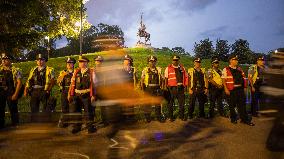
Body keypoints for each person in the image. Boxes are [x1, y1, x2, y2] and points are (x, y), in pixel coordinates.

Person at [222, 55, 254, 126]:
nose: (236, 61)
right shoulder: (226, 69)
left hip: (240, 90)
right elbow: (223, 80)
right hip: (232, 90)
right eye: (234, 59)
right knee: (232, 106)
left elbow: (244, 79)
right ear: (230, 60)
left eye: (237, 59)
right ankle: (233, 119)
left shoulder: (240, 69)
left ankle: (244, 120)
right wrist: (226, 89)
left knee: (242, 105)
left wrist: (245, 88)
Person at [68, 56, 97, 134]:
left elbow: (94, 84)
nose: (81, 63)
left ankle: (90, 127)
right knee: (76, 111)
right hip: (77, 94)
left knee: (88, 112)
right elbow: (72, 83)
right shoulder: (76, 71)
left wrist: (93, 95)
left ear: (87, 63)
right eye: (80, 62)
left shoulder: (91, 72)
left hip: (87, 94)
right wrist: (70, 94)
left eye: (83, 62)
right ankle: (76, 127)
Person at [24, 54, 55, 121]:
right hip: (34, 91)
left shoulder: (49, 69)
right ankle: (35, 123)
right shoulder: (33, 69)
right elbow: (29, 80)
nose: (40, 61)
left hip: (43, 90)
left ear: (45, 61)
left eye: (41, 60)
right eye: (38, 60)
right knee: (34, 108)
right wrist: (26, 90)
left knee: (45, 109)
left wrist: (48, 90)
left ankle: (45, 124)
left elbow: (53, 81)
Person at [0, 53, 22, 128]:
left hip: (11, 92)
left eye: (5, 59)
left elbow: (19, 83)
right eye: (2, 59)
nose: (3, 61)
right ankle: (1, 125)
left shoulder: (16, 70)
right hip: (1, 92)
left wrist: (15, 94)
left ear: (9, 60)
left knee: (13, 109)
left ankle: (15, 124)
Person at [141, 55, 164, 122]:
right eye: (150, 61)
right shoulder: (145, 70)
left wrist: (162, 88)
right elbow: (142, 81)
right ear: (148, 62)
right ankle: (148, 118)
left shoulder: (159, 69)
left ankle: (158, 117)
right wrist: (143, 90)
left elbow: (162, 79)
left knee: (157, 104)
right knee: (147, 104)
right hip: (148, 88)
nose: (152, 63)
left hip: (157, 88)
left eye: (153, 61)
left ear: (155, 62)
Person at [164, 55, 188, 121]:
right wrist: (166, 87)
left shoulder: (182, 68)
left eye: (177, 60)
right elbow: (166, 78)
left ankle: (181, 116)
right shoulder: (168, 68)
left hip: (181, 88)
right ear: (172, 60)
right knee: (170, 104)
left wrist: (185, 86)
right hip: (171, 88)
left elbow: (186, 77)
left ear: (178, 60)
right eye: (174, 60)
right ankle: (171, 117)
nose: (175, 61)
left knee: (182, 103)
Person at [57, 57, 76, 128]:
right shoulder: (63, 72)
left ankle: (73, 123)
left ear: (73, 64)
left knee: (73, 107)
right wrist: (63, 75)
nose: (68, 64)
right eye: (67, 63)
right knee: (64, 107)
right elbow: (58, 81)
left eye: (70, 63)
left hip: (73, 91)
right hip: (64, 91)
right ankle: (65, 122)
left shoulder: (76, 71)